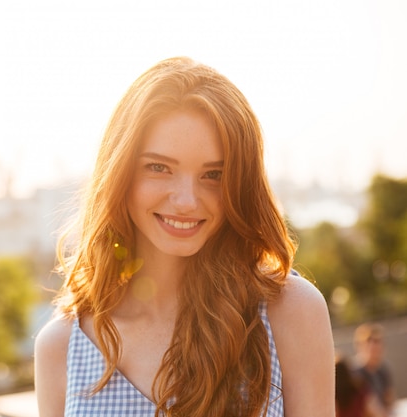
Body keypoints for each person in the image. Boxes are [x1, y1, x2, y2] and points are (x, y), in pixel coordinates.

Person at [34, 56, 335, 417]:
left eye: (213, 175)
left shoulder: (289, 313)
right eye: (159, 167)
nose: (187, 201)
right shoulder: (62, 347)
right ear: (121, 172)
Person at [352, 323, 395, 416]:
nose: (376, 350)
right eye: (371, 343)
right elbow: (368, 407)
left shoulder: (383, 369)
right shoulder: (355, 372)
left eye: (378, 343)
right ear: (360, 346)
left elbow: (389, 398)